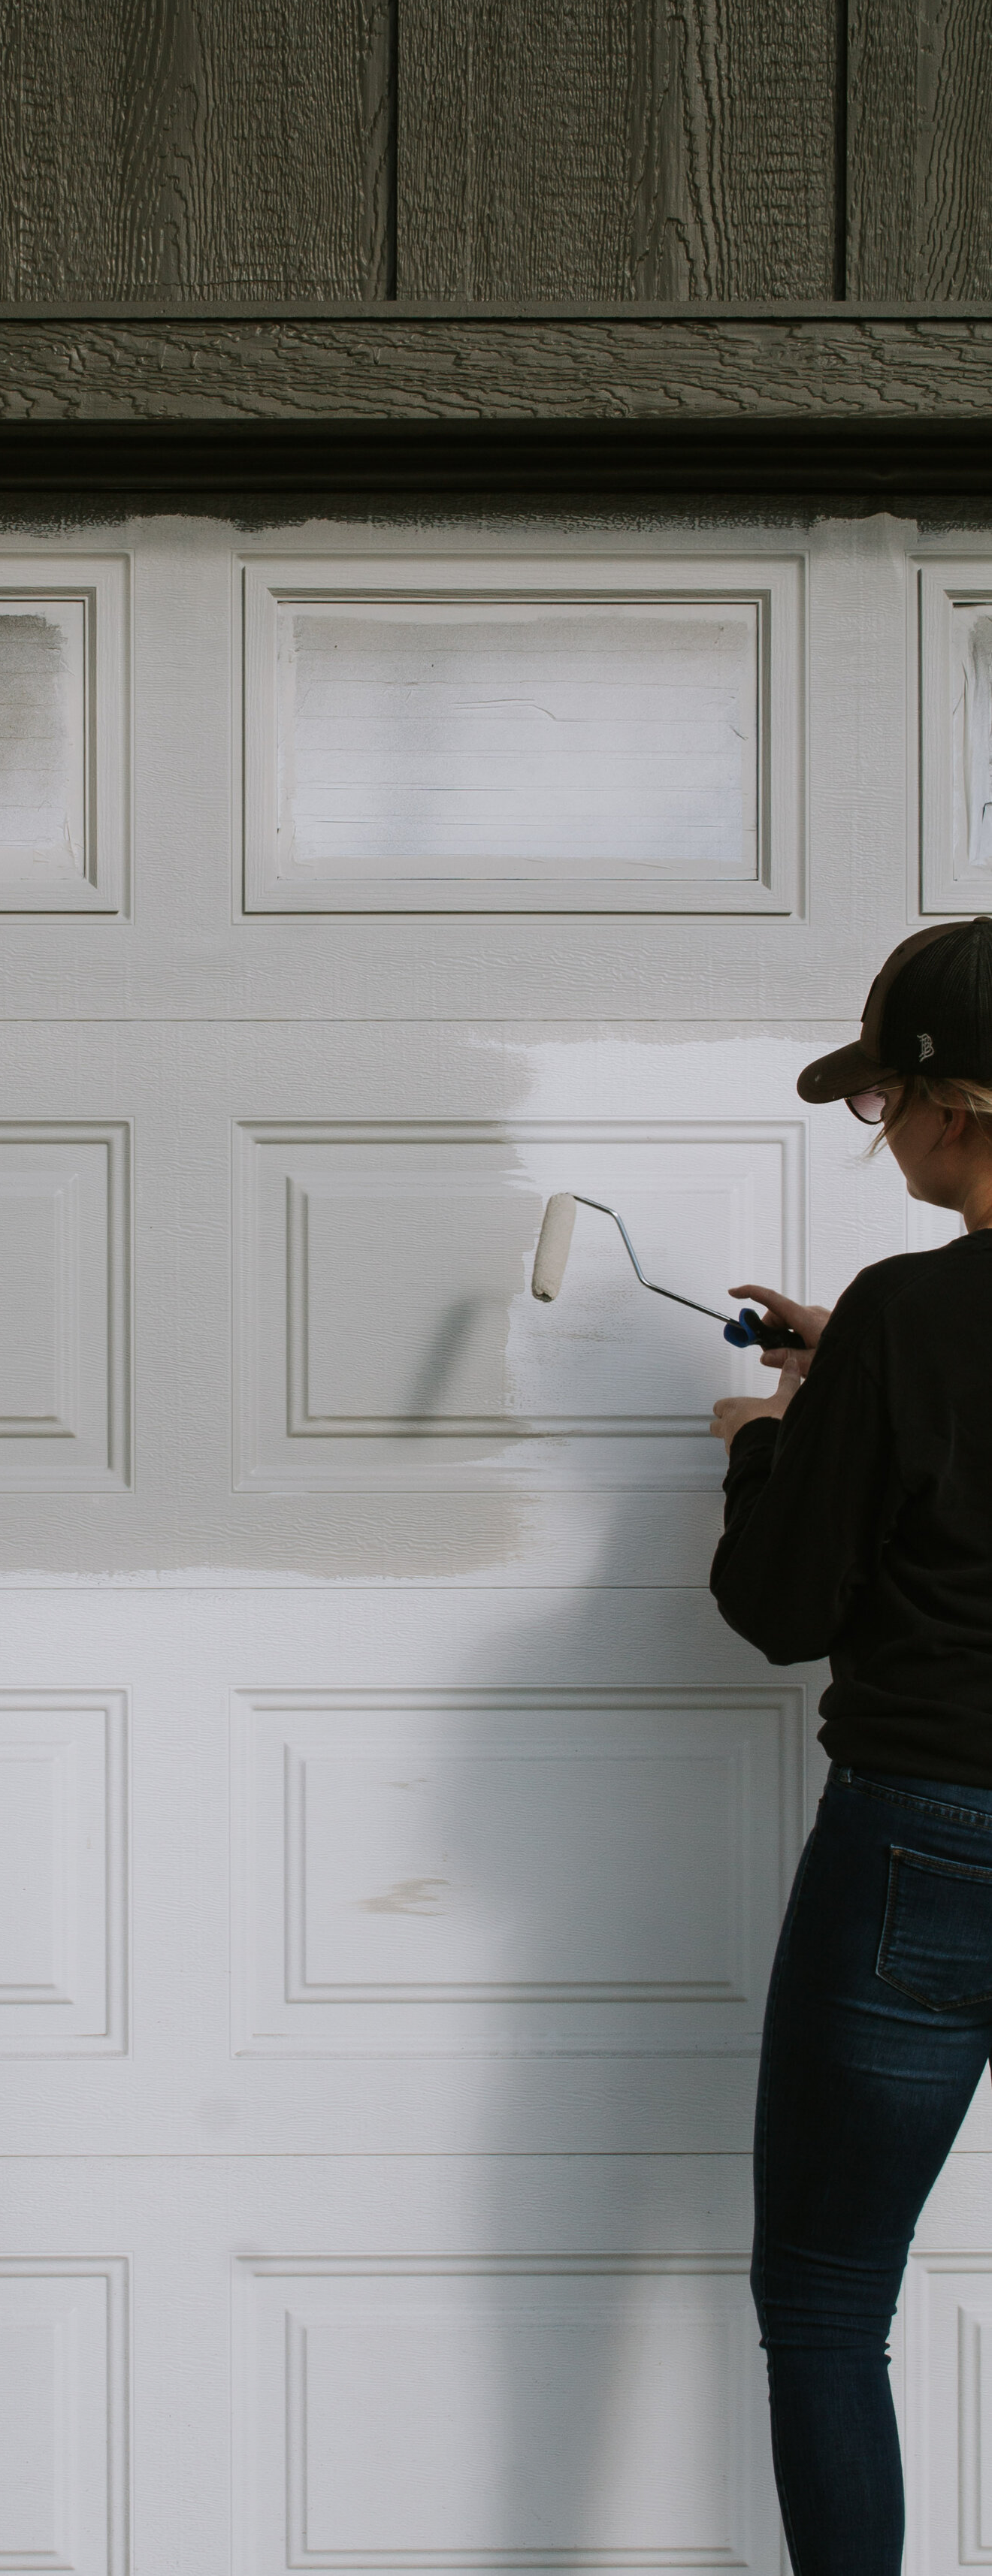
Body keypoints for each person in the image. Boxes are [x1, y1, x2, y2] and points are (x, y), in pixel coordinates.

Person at [709, 915, 992, 2576]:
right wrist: (866, 1380)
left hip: (925, 1843)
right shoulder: (890, 1328)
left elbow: (778, 1607)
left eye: (880, 1103)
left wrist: (769, 1440)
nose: (879, 1135)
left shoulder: (904, 1316)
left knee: (824, 2300)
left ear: (957, 1104)